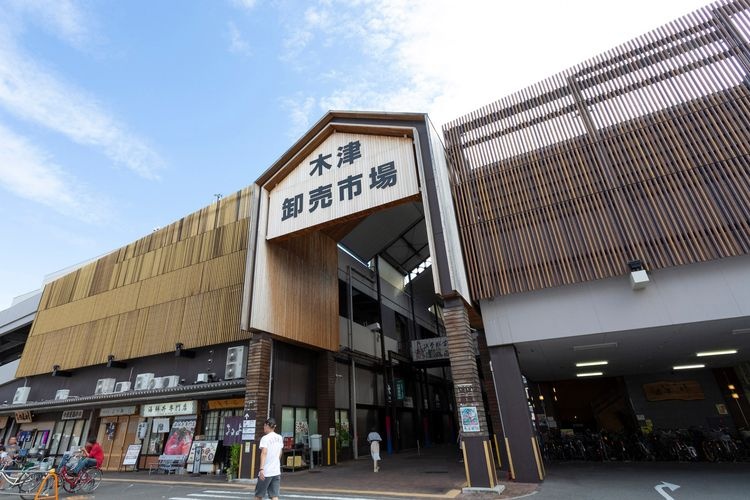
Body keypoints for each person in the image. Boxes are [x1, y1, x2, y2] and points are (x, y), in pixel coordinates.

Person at [255, 418, 283, 500]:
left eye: (264, 425)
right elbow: (280, 452)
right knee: (274, 496)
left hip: (266, 471)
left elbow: (264, 453)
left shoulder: (265, 438)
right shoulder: (279, 437)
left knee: (259, 495)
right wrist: (275, 462)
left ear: (267, 425)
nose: (264, 427)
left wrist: (261, 469)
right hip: (276, 471)